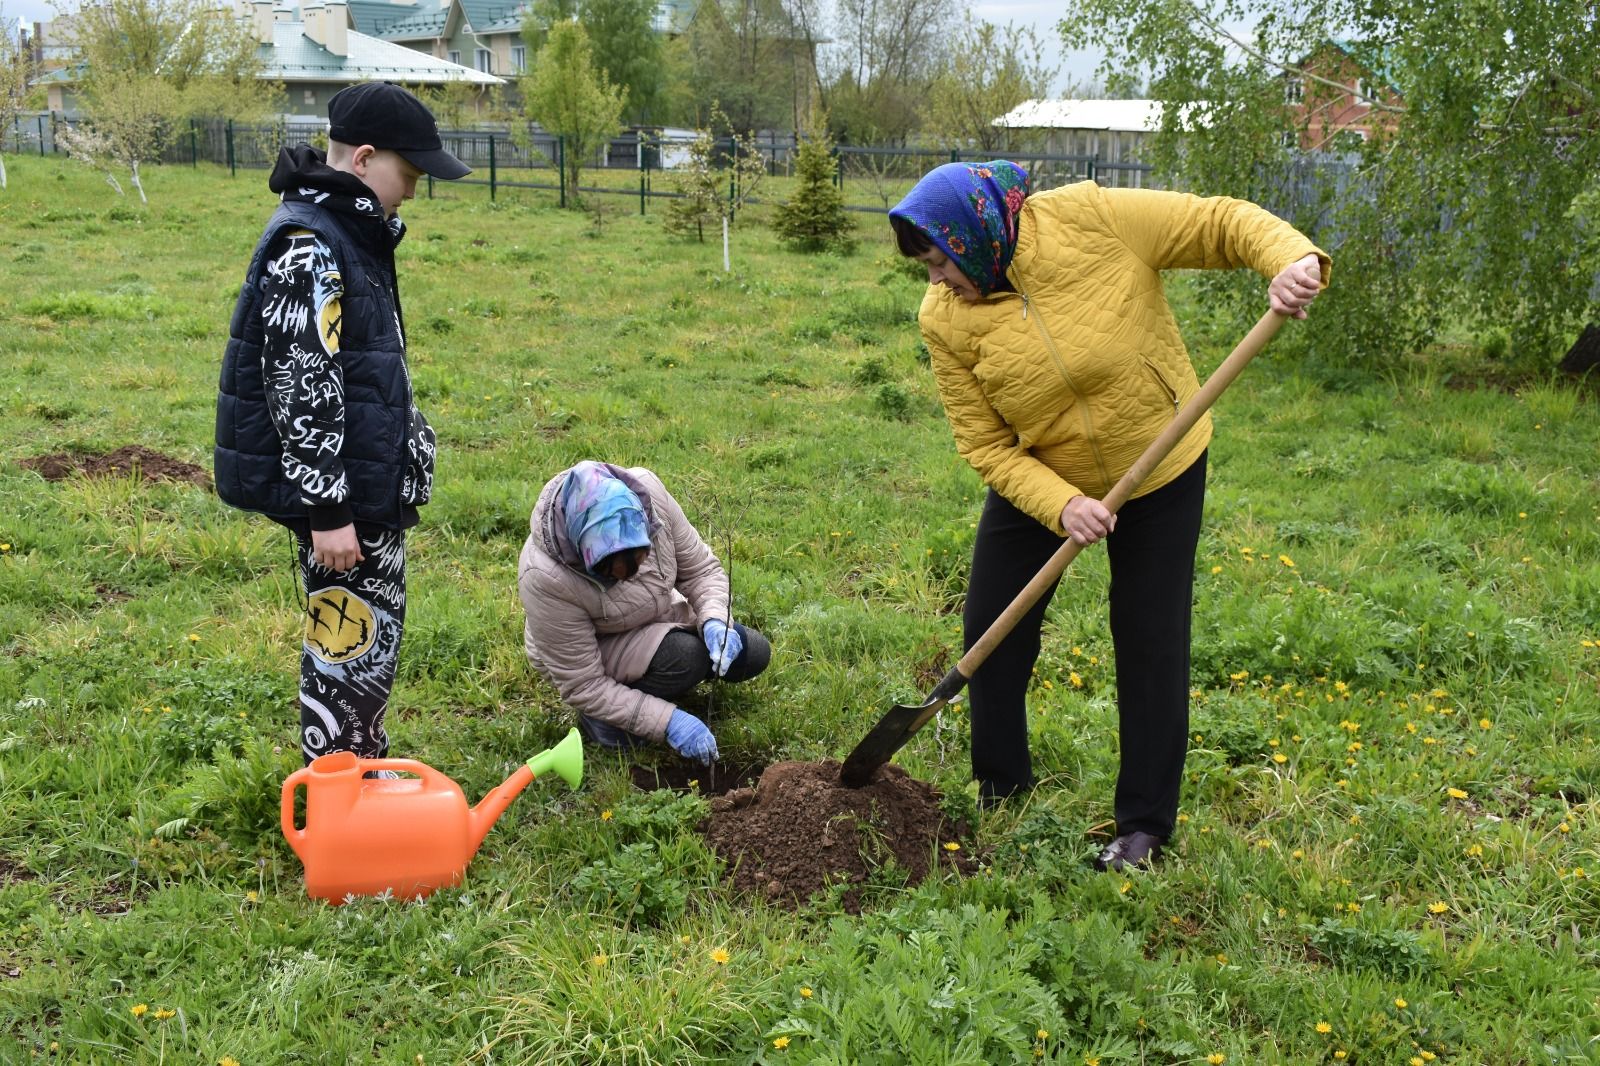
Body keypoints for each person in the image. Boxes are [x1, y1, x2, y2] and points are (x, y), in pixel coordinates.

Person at [888, 163, 1328, 871]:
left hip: (1158, 465)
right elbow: (983, 443)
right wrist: (1062, 504)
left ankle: (1144, 828)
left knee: (1149, 641)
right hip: (1043, 475)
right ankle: (1002, 787)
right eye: (926, 268)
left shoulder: (1093, 217)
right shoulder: (944, 320)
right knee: (992, 635)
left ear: (973, 237)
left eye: (939, 261)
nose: (935, 280)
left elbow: (1218, 220)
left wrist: (1289, 260)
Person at [214, 82, 470, 763]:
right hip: (343, 498)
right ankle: (338, 800)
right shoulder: (310, 243)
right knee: (347, 646)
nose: (413, 191)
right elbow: (301, 384)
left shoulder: (348, 233)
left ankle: (356, 771)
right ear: (362, 159)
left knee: (368, 644)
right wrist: (328, 510)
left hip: (365, 484)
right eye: (408, 174)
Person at [518, 461, 771, 764]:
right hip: (595, 647)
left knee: (752, 653)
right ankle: (604, 720)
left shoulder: (651, 496)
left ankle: (650, 687)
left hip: (653, 613)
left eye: (639, 562)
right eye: (613, 574)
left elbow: (701, 570)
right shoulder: (545, 576)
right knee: (687, 657)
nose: (629, 579)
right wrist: (668, 723)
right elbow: (584, 684)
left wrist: (716, 619)